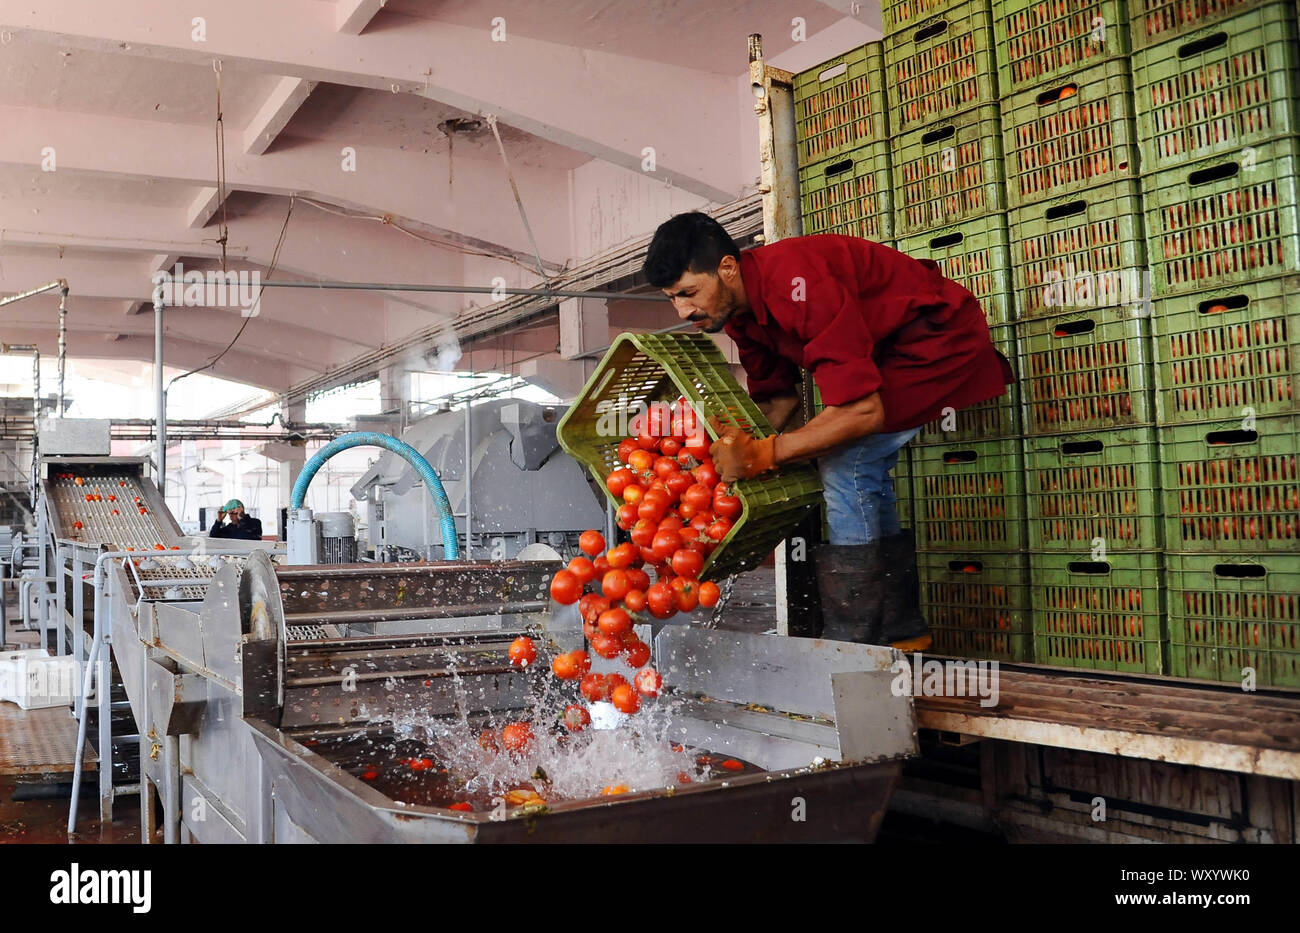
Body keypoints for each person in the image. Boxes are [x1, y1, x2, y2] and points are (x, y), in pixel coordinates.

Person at [642, 212, 1014, 650]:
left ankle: (861, 643)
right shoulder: (742, 315)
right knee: (858, 467)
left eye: (689, 293)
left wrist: (766, 454)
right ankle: (900, 629)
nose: (684, 310)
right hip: (887, 354)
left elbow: (862, 413)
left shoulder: (797, 285)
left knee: (845, 462)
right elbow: (777, 402)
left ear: (727, 268)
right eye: (672, 299)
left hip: (935, 341)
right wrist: (721, 457)